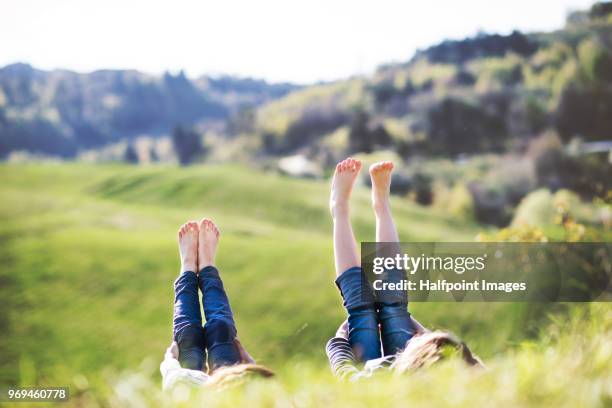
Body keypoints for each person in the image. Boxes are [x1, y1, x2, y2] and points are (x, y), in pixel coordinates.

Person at [326, 158, 482, 380]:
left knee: (363, 309)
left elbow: (346, 375)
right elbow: (471, 371)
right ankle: (381, 205)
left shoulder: (371, 390)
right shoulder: (450, 391)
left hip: (384, 374)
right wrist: (428, 341)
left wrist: (339, 342)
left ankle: (339, 208)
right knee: (393, 306)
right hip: (412, 371)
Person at [160, 218, 273, 390]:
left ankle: (189, 266)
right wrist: (250, 369)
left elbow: (174, 382)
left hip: (192, 387)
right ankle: (207, 266)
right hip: (228, 388)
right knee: (220, 328)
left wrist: (170, 365)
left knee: (188, 335)